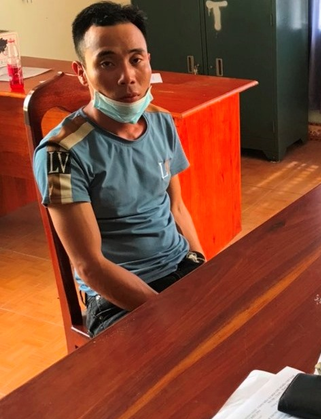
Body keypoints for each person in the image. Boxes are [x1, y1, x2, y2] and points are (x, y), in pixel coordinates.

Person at [32, 2, 205, 337]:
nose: (127, 77)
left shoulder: (161, 121)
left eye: (136, 59)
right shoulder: (61, 153)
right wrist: (168, 313)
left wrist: (201, 265)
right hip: (116, 297)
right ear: (82, 71)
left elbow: (177, 208)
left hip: (180, 267)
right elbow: (90, 266)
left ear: (148, 61)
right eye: (107, 63)